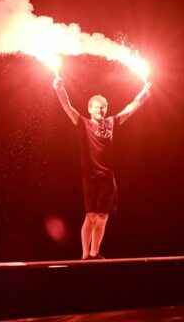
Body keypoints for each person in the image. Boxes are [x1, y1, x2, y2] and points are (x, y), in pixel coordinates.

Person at [53, 74, 152, 259]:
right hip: (90, 177)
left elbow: (130, 109)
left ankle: (95, 253)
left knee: (102, 217)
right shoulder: (82, 122)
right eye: (99, 107)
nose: (102, 110)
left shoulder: (111, 123)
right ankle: (84, 256)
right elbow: (67, 106)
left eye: (105, 107)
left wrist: (144, 94)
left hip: (107, 177)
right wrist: (59, 88)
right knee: (90, 216)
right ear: (90, 109)